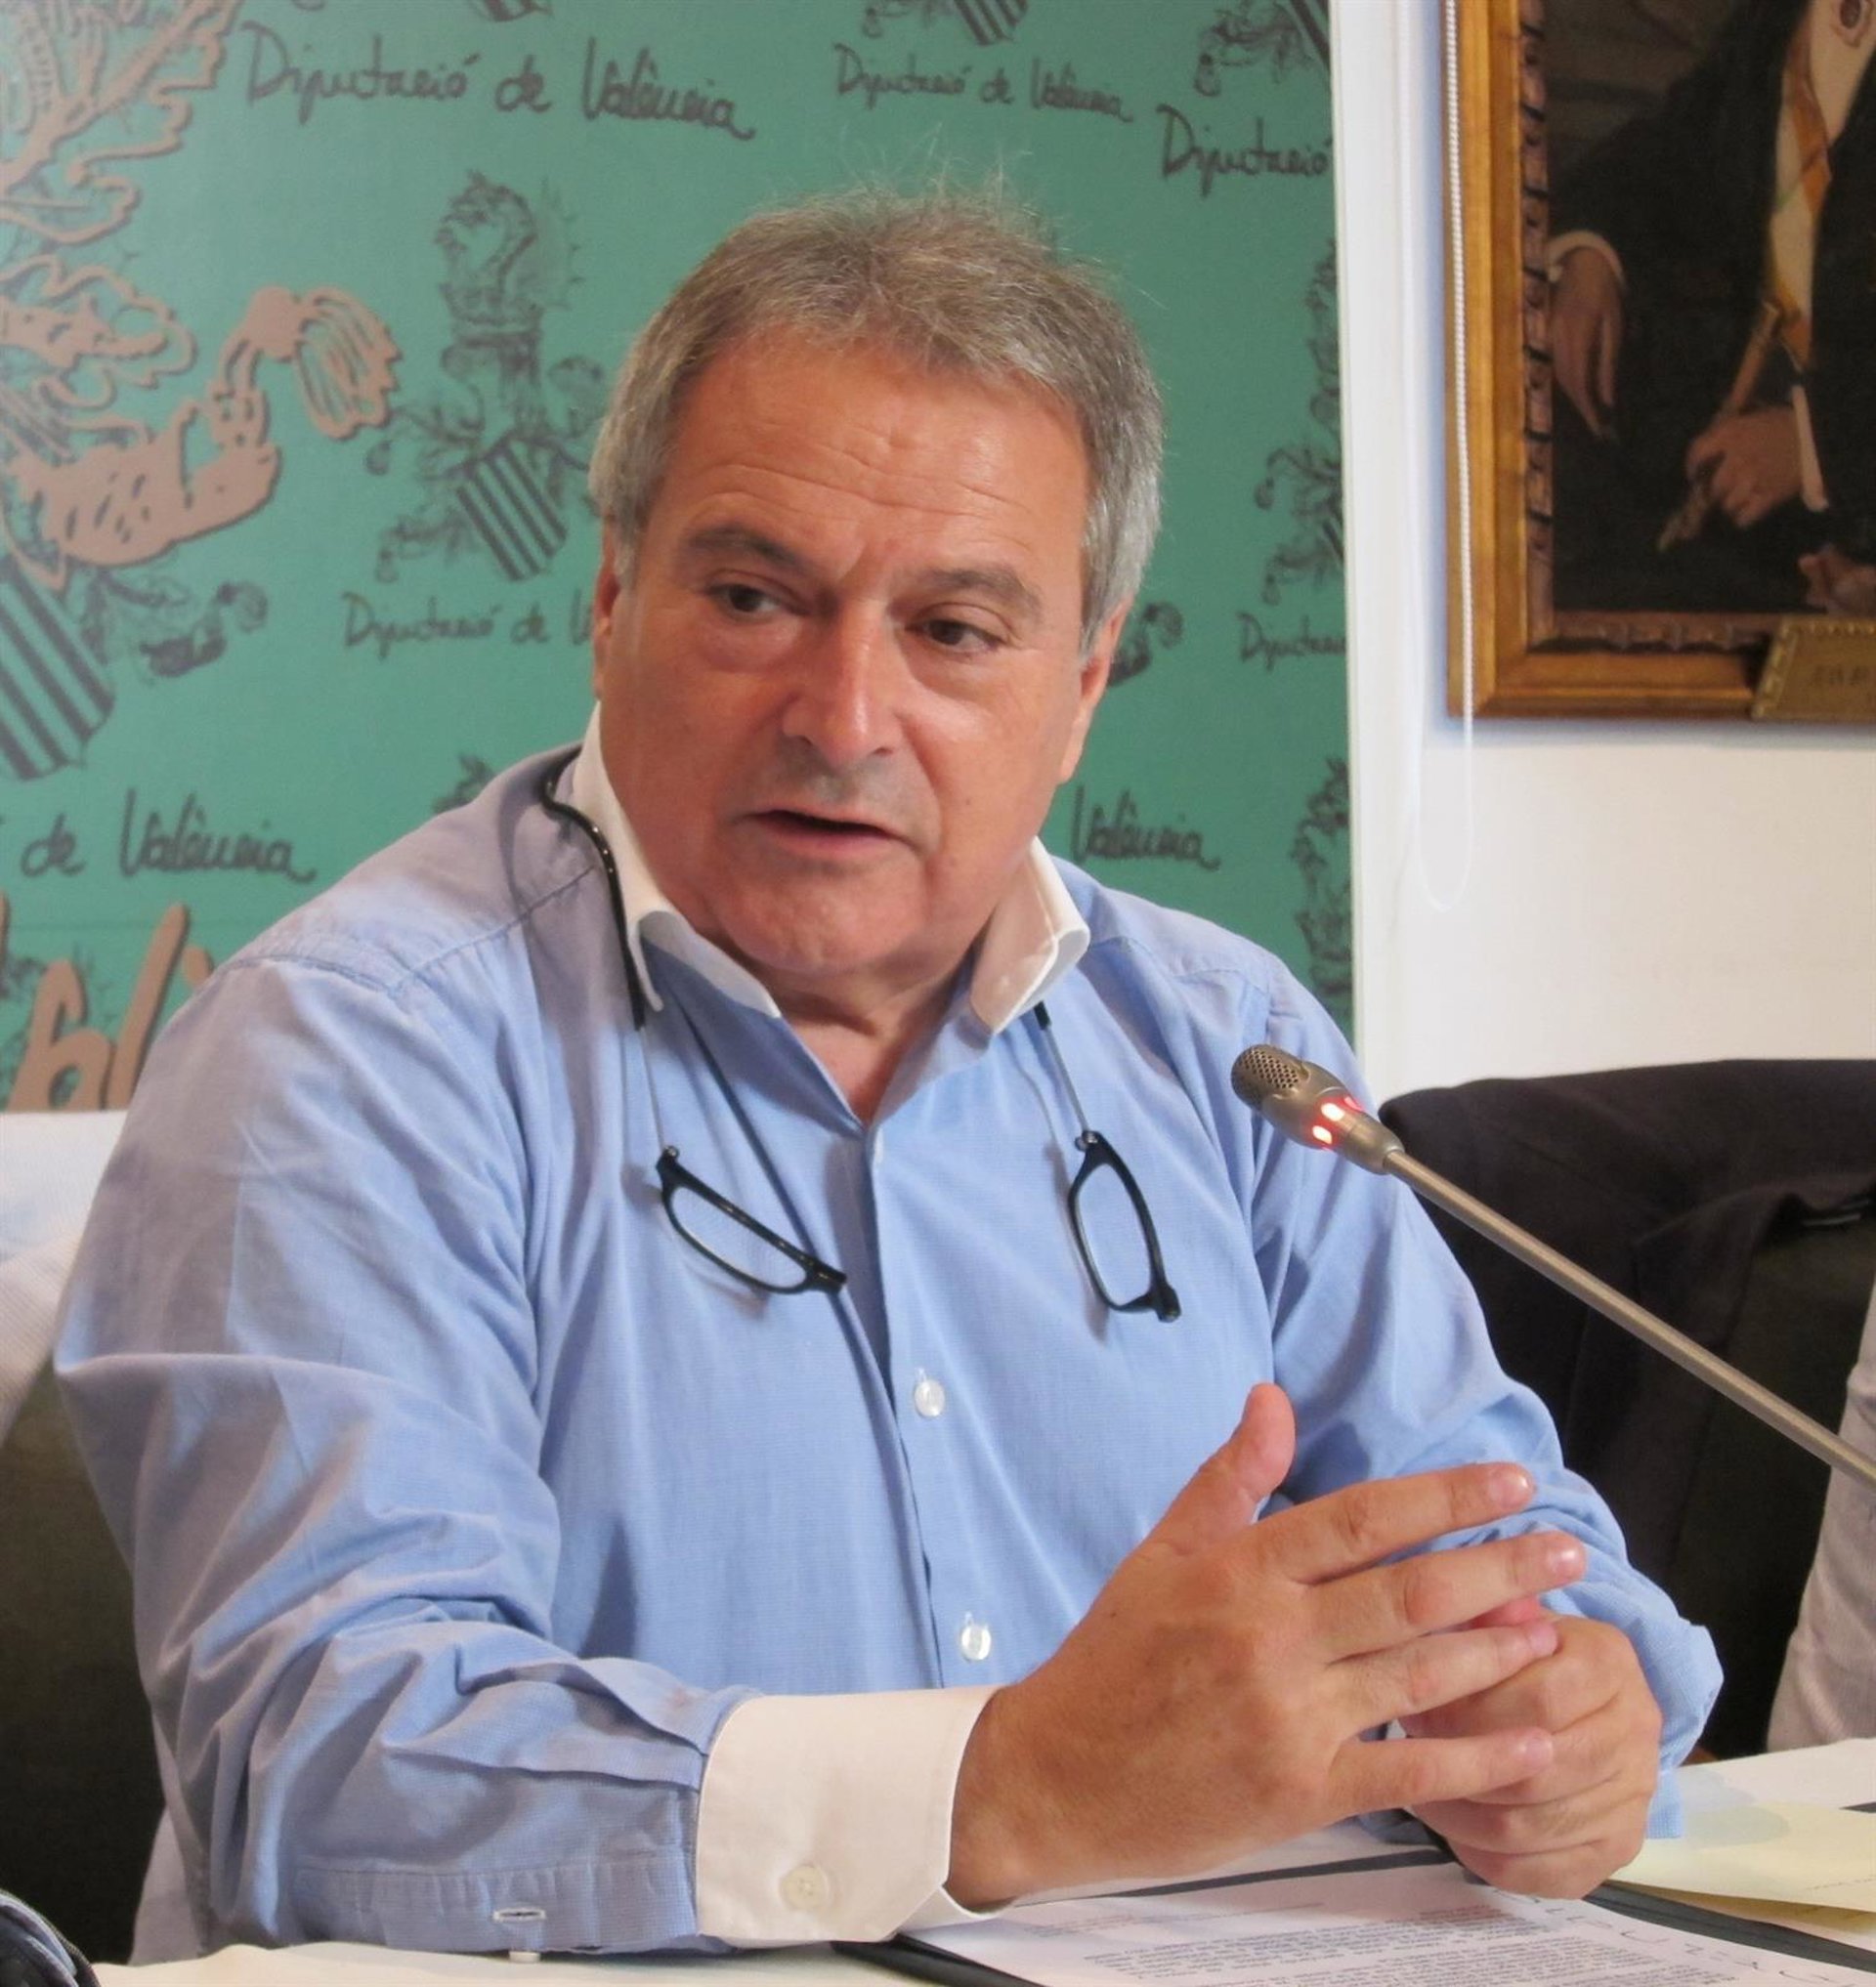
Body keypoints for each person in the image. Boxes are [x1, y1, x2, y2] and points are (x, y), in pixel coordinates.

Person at [56, 190, 1719, 1962]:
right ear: (612, 599)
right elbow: (326, 1765)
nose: (844, 716)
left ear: (1084, 683)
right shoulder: (348, 1051)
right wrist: (1000, 1785)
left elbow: (1504, 1534)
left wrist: (1573, 1705)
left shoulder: (1230, 1045)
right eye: (754, 597)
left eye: (956, 629)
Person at [1548, 0, 1876, 613]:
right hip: (1715, 458)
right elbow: (1666, 147)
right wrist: (1590, 254)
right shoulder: (1779, 20)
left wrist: (1810, 447)